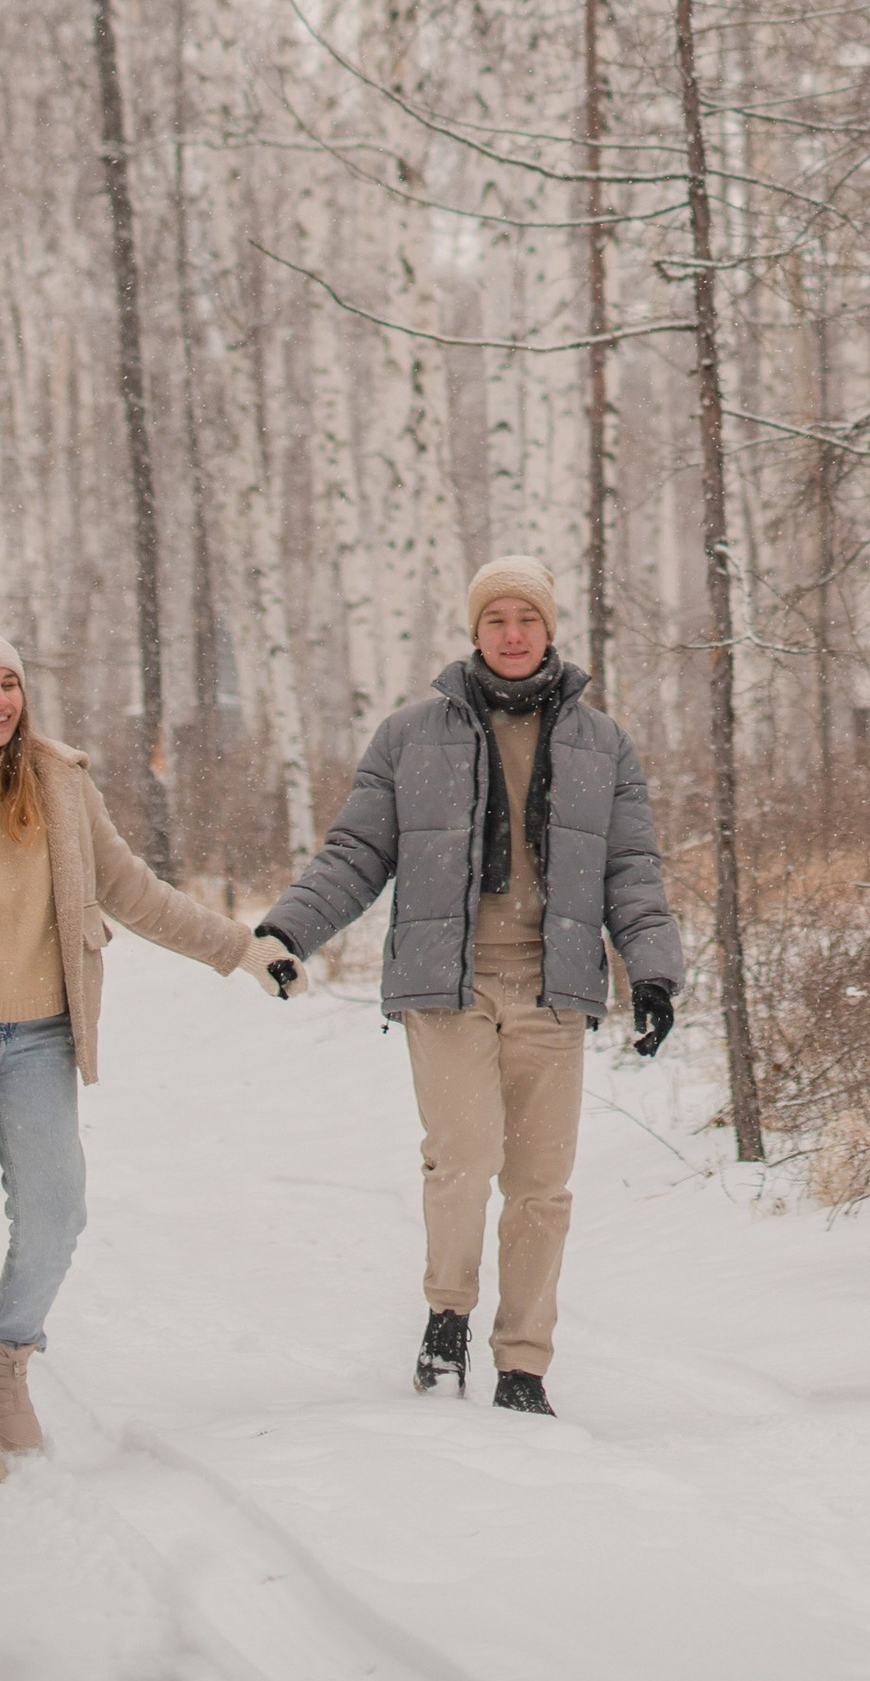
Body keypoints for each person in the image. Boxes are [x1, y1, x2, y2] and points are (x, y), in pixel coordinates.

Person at [0, 612, 302, 1499]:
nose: (0, 701)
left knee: (56, 1216)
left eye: (9, 683)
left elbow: (136, 893)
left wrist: (240, 948)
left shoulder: (59, 783)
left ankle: (9, 1360)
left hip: (41, 1032)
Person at [254, 553, 683, 1418]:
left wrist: (655, 973)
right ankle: (446, 1319)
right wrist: (288, 928)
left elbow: (631, 869)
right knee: (466, 1159)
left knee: (541, 1184)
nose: (513, 635)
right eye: (497, 621)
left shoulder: (601, 743)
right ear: (474, 631)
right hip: (445, 984)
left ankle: (523, 1364)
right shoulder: (414, 736)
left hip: (553, 988)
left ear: (549, 628)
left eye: (527, 619)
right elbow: (357, 853)